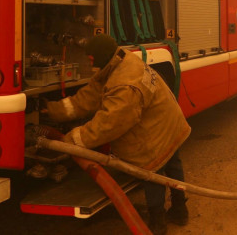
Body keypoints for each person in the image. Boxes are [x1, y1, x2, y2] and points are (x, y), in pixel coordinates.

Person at [43, 34, 191, 235]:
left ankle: (157, 223)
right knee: (173, 164)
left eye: (91, 58)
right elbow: (88, 97)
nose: (89, 62)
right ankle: (180, 211)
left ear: (101, 56)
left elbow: (108, 125)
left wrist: (71, 140)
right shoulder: (119, 61)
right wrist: (53, 110)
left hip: (156, 130)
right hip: (168, 120)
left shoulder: (124, 84)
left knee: (152, 173)